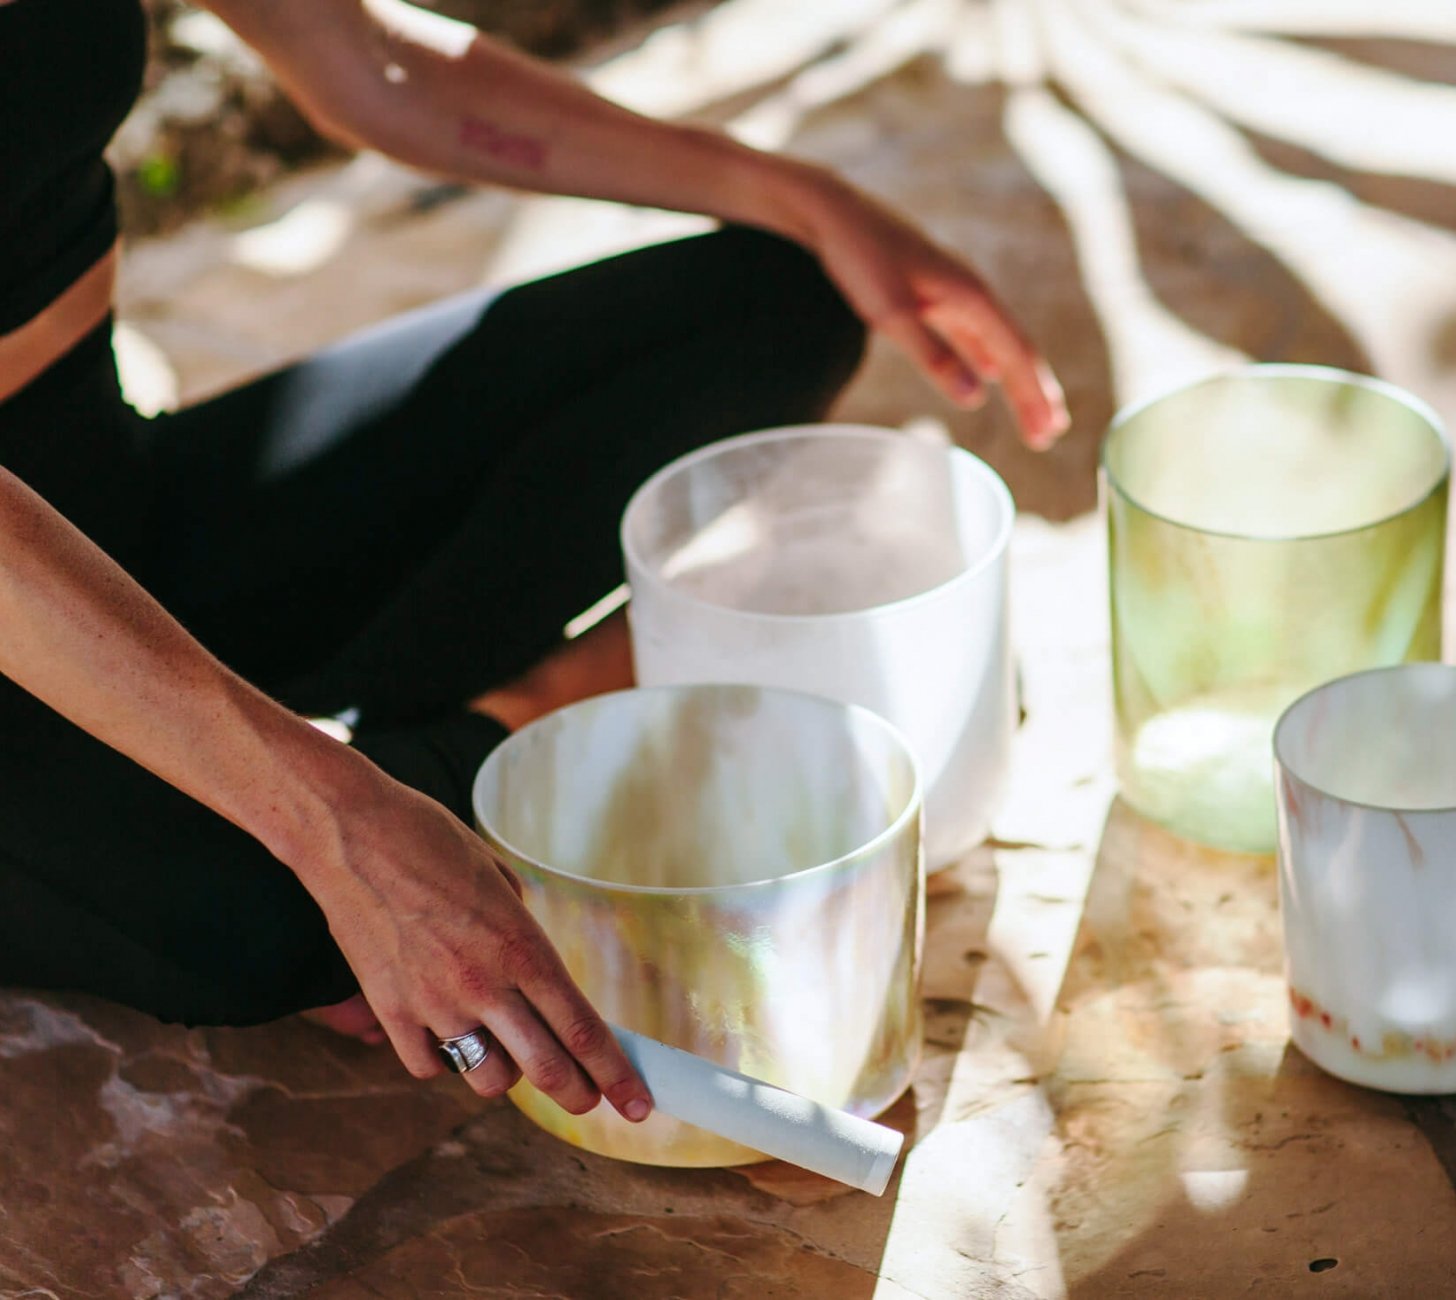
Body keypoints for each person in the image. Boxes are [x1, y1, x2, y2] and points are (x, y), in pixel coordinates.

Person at [0, 0, 1066, 1123]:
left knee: (776, 299)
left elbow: (362, 58)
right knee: (253, 922)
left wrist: (804, 198)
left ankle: (465, 740)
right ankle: (517, 730)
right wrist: (331, 823)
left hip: (113, 498)